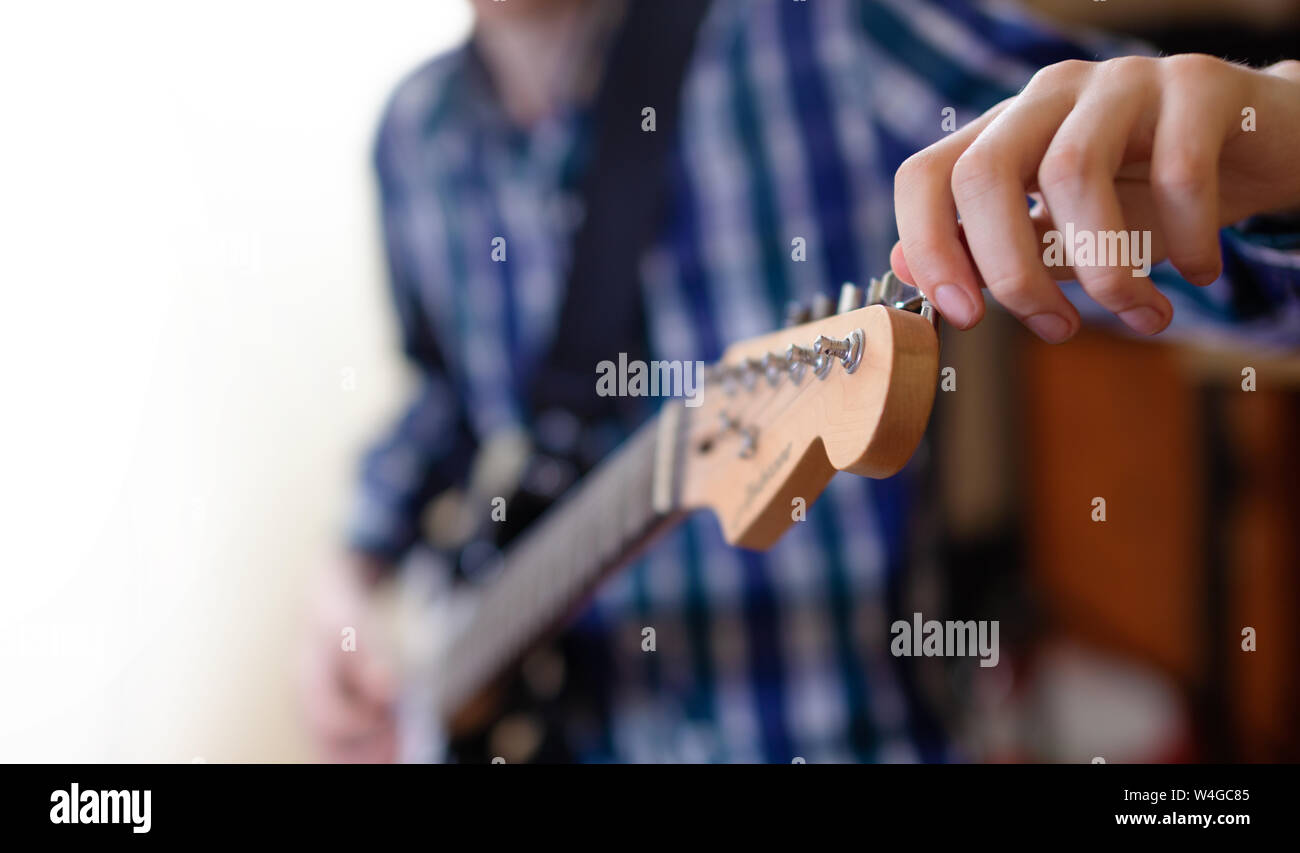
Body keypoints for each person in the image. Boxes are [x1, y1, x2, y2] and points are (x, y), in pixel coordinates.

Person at [301, 0, 1300, 763]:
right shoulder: (412, 137)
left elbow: (1165, 217)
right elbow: (443, 402)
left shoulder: (825, 29)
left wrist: (1271, 154)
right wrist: (348, 574)